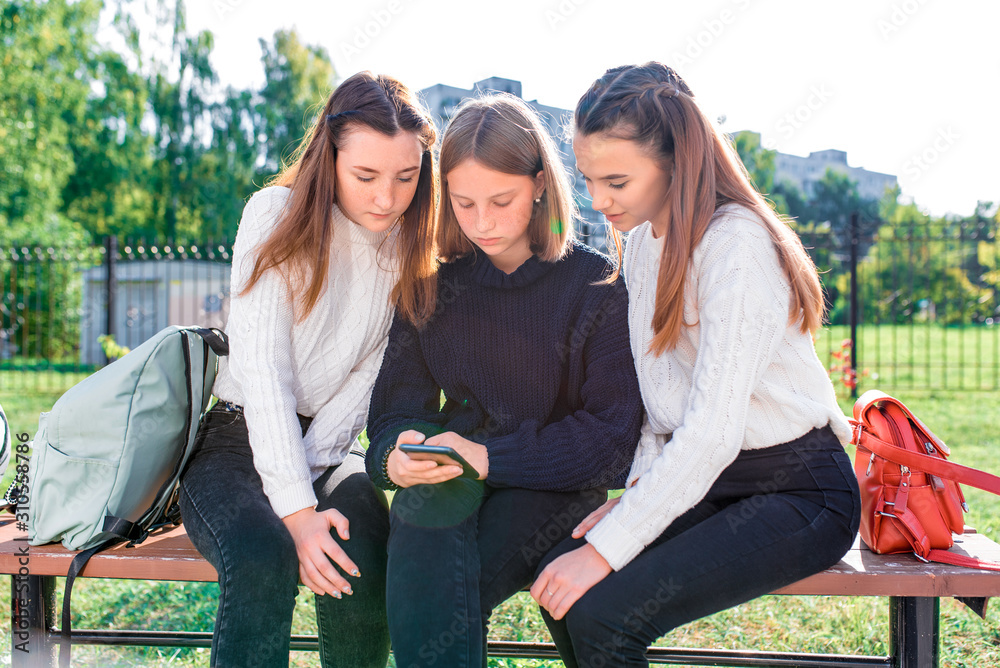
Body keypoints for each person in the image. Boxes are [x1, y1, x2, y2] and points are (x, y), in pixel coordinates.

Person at [531, 62, 862, 667]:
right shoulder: (645, 243)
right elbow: (657, 407)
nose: (597, 201)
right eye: (589, 180)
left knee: (605, 614)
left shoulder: (737, 244)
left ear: (673, 161)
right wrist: (636, 502)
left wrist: (611, 547)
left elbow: (711, 431)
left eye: (617, 181)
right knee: (564, 587)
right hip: (712, 482)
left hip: (799, 491)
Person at [364, 93, 644, 668]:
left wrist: (490, 456)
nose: (482, 222)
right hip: (455, 475)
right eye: (463, 203)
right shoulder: (432, 288)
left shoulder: (595, 285)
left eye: (501, 200)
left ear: (540, 184)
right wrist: (396, 454)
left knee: (441, 589)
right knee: (418, 520)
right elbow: (395, 413)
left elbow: (613, 439)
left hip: (555, 487)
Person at [178, 71, 440, 668]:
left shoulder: (410, 245)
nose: (386, 198)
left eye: (406, 177)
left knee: (360, 545)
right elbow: (264, 373)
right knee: (262, 555)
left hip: (328, 445)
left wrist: (310, 488)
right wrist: (296, 513)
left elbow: (367, 381)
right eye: (366, 176)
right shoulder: (275, 212)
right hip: (234, 441)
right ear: (330, 156)